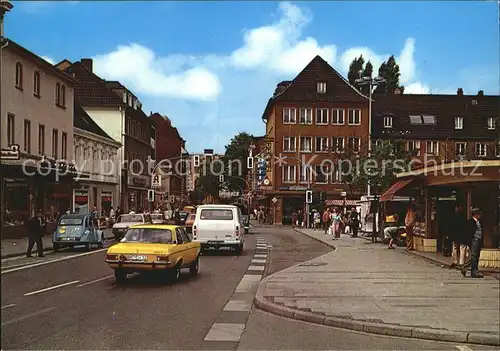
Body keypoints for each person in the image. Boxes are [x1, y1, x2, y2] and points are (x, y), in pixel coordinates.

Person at [461, 208, 485, 278]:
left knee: (476, 256)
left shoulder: (480, 222)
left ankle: (466, 268)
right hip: (474, 240)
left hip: (479, 240)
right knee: (473, 256)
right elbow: (468, 233)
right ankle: (474, 271)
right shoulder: (470, 222)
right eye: (479, 214)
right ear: (475, 214)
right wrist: (469, 243)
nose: (480, 215)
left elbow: (482, 231)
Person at [449, 204, 467, 269]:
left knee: (456, 247)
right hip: (460, 234)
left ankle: (456, 262)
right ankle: (461, 263)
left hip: (456, 235)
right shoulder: (463, 217)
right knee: (461, 248)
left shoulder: (453, 217)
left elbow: (451, 227)